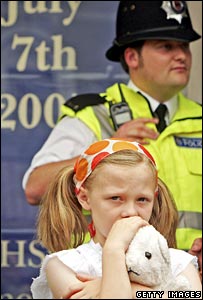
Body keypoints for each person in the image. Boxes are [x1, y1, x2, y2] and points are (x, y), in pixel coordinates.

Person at [22, 1, 202, 264]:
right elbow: (34, 188)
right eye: (166, 46)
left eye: (185, 46)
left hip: (188, 275)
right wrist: (105, 148)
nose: (182, 56)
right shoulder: (94, 114)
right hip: (107, 275)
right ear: (132, 57)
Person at [30, 139, 201, 299]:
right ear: (84, 198)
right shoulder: (63, 266)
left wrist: (109, 288)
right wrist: (114, 249)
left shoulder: (178, 261)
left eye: (142, 199)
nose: (130, 212)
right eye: (115, 198)